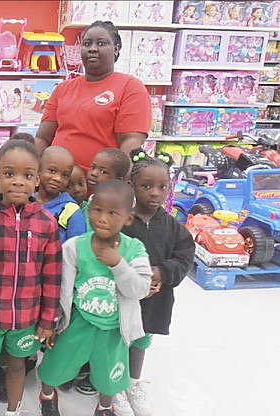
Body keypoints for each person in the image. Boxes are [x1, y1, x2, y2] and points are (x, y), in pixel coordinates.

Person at [0, 140, 61, 416]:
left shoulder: (46, 223)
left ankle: (12, 411)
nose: (18, 182)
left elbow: (52, 276)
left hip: (27, 318)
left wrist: (47, 318)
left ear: (37, 179)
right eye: (9, 174)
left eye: (27, 175)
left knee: (17, 365)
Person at [38, 179, 152, 416]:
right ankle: (47, 395)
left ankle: (105, 406)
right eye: (97, 210)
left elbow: (140, 289)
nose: (103, 218)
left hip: (112, 330)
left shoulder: (134, 249)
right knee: (54, 367)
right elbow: (62, 290)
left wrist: (118, 264)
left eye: (113, 213)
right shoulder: (74, 247)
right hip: (77, 323)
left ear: (127, 218)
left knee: (109, 376)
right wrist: (53, 324)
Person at [114, 149, 195, 416]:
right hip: (123, 297)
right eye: (146, 186)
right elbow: (107, 254)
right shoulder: (122, 222)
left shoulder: (173, 227)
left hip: (154, 299)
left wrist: (160, 274)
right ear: (131, 186)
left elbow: (184, 256)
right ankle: (114, 383)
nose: (154, 193)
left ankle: (134, 384)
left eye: (162, 187)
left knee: (141, 340)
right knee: (117, 340)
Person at [35, 21, 151, 171]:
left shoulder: (130, 87)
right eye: (87, 44)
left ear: (116, 49)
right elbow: (42, 138)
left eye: (101, 43)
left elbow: (131, 142)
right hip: (55, 183)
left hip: (100, 187)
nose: (92, 49)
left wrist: (116, 185)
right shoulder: (63, 88)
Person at [36, 146, 87, 243]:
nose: (58, 179)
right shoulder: (27, 201)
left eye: (65, 175)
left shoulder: (71, 210)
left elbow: (76, 248)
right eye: (52, 171)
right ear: (39, 169)